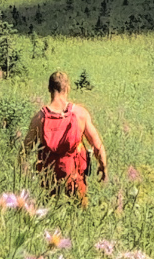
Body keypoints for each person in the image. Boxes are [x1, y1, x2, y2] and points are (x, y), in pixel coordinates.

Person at [23, 70, 107, 203]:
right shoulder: (80, 114)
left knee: (49, 214)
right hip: (74, 180)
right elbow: (97, 146)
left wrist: (23, 173)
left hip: (48, 182)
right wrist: (103, 167)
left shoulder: (39, 118)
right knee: (77, 215)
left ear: (49, 88)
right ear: (68, 88)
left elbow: (24, 150)